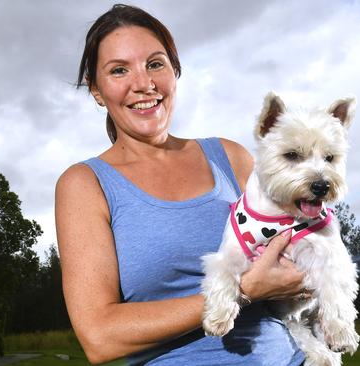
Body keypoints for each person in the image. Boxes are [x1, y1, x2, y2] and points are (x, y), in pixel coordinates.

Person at [55, 4, 308, 365]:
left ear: (174, 72)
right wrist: (242, 290)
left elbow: (300, 251)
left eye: (155, 64)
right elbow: (100, 337)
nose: (143, 84)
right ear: (96, 91)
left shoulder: (231, 158)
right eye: (119, 70)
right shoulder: (85, 184)